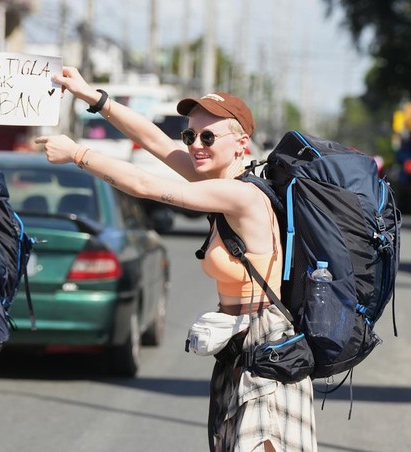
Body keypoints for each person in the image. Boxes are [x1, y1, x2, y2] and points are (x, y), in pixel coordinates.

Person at [37, 67, 317, 451]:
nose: (195, 145)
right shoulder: (221, 184)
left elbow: (145, 184)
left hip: (267, 355)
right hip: (241, 353)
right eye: (190, 135)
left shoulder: (242, 197)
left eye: (207, 136)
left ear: (241, 143)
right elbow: (153, 139)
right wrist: (91, 96)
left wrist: (78, 154)